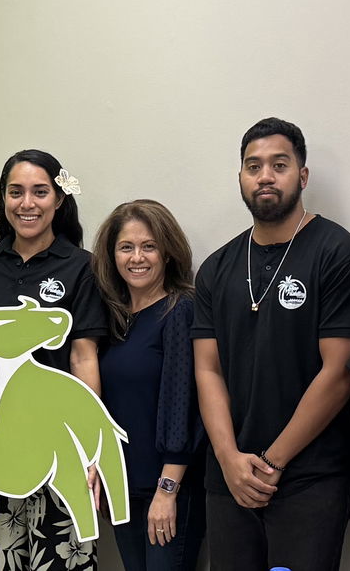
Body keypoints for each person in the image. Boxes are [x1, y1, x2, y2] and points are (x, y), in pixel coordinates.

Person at [192, 117, 350, 571]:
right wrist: (229, 458)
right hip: (229, 476)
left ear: (302, 176)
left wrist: (272, 462)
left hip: (309, 475)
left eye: (279, 164)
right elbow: (207, 369)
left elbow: (338, 373)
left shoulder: (338, 255)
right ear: (240, 178)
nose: (265, 176)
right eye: (253, 166)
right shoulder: (217, 268)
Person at [0, 149, 108, 570]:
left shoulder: (82, 267)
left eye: (40, 192)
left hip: (57, 446)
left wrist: (90, 447)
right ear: (3, 200)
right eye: (15, 192)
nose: (27, 203)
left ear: (59, 198)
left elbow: (84, 357)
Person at [90, 199, 206, 571]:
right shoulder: (114, 320)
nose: (137, 257)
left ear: (168, 253)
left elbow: (183, 405)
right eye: (126, 247)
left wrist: (166, 491)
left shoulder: (179, 310)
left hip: (169, 489)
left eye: (149, 246)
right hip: (125, 489)